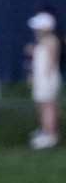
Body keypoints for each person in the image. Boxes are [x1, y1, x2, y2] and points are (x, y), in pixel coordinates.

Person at [26, 8, 60, 150]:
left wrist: (46, 78)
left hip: (47, 80)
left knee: (48, 107)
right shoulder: (42, 41)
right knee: (43, 106)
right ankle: (46, 132)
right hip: (41, 79)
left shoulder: (51, 40)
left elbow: (51, 61)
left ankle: (50, 135)